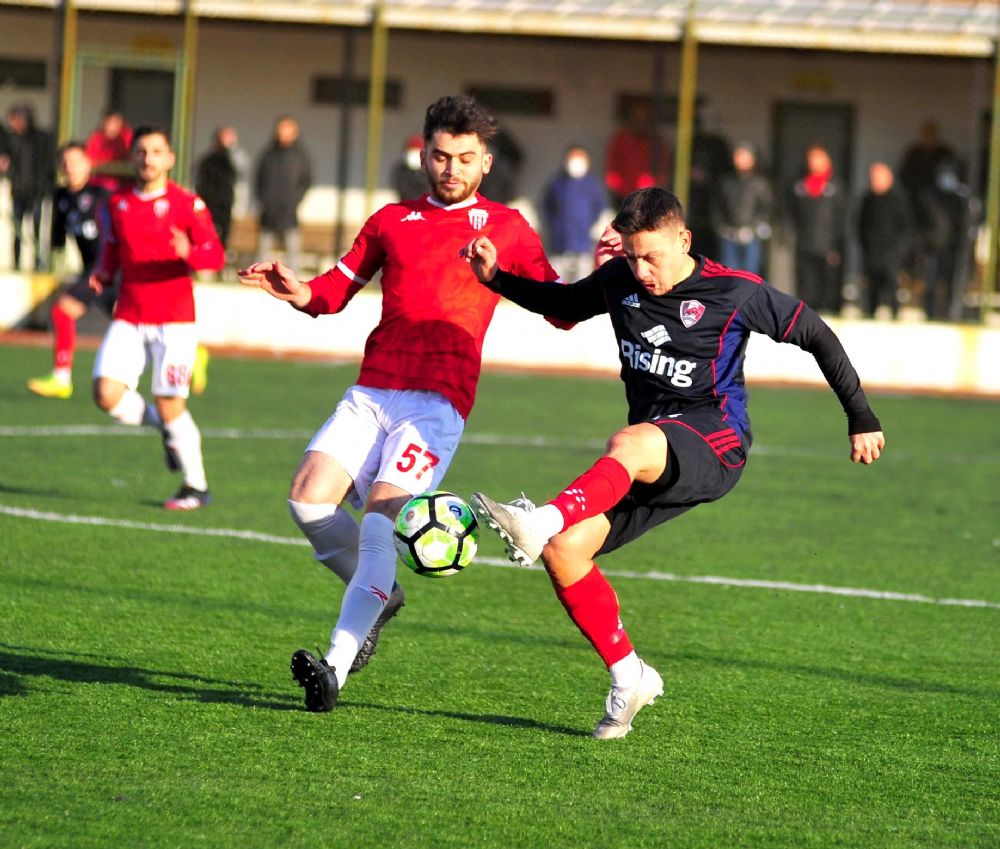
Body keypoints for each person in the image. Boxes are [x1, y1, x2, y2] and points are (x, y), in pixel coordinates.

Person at [463, 187, 885, 739]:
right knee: (567, 552)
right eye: (632, 255)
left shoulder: (733, 292)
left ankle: (538, 519)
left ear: (684, 240)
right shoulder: (619, 279)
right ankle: (629, 675)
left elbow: (816, 334)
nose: (640, 270)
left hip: (716, 441)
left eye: (652, 257)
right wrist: (496, 279)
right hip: (652, 456)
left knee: (629, 442)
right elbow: (564, 306)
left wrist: (861, 416)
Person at [237, 95, 569, 713]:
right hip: (372, 388)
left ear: (486, 162)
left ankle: (333, 665)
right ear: (424, 153)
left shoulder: (509, 229)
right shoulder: (391, 219)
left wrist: (588, 275)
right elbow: (335, 289)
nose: (451, 169)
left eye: (465, 158)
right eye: (441, 156)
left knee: (377, 526)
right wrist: (297, 290)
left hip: (437, 401)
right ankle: (380, 596)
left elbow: (559, 306)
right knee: (306, 497)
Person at [89, 125, 224, 510]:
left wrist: (189, 253)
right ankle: (166, 429)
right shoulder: (118, 203)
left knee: (170, 403)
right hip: (130, 313)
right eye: (141, 152)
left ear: (170, 159)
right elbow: (113, 246)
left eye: (156, 152)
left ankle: (195, 486)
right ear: (132, 158)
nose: (148, 159)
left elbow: (214, 256)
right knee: (106, 394)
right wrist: (103, 271)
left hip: (175, 320)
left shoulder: (187, 204)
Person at [26, 143, 111, 399]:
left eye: (76, 161)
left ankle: (62, 378)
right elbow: (58, 235)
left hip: (111, 270)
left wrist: (106, 269)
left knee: (62, 310)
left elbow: (114, 234)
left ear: (88, 164)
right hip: (93, 271)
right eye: (65, 162)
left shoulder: (100, 196)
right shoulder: (62, 196)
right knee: (136, 323)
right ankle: (61, 378)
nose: (70, 167)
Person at [915, 159, 980, 321]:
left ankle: (952, 315)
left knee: (954, 284)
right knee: (931, 283)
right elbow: (922, 222)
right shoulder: (929, 196)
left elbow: (968, 223)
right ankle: (929, 315)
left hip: (954, 249)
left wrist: (964, 245)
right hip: (934, 247)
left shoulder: (963, 198)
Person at [788, 144, 846, 314]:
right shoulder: (800, 186)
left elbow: (841, 216)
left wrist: (836, 244)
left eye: (819, 159)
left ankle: (828, 309)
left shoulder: (835, 187)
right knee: (806, 279)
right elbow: (791, 211)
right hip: (805, 240)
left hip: (828, 243)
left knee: (827, 281)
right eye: (811, 159)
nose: (814, 163)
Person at [541, 145, 608, 282]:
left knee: (582, 288)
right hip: (559, 245)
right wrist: (554, 227)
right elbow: (547, 207)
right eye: (573, 158)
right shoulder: (557, 183)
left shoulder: (593, 185)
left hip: (584, 245)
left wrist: (589, 224)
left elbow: (599, 208)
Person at [856, 162, 913, 319]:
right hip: (872, 252)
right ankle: (869, 315)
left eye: (879, 177)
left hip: (892, 253)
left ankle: (895, 316)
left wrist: (900, 251)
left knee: (892, 286)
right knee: (871, 288)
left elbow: (906, 228)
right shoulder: (867, 199)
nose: (875, 181)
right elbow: (860, 225)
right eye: (873, 177)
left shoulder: (898, 199)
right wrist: (865, 246)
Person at [0, 104, 53, 271]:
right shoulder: (10, 139)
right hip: (18, 190)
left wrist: (45, 187)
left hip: (37, 191)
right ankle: (16, 264)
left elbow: (47, 165)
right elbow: (6, 162)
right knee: (17, 230)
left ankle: (39, 264)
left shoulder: (41, 139)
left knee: (37, 231)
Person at [254, 116, 312, 270]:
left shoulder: (300, 156)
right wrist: (265, 200)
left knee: (292, 249)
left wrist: (295, 200)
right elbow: (259, 179)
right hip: (269, 211)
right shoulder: (268, 154)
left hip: (289, 211)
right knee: (263, 249)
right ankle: (258, 276)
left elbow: (306, 182)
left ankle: (294, 281)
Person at [712, 142, 773, 276]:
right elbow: (717, 208)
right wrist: (721, 228)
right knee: (729, 274)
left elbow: (767, 209)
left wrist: (753, 229)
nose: (740, 160)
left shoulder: (760, 183)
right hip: (729, 236)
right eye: (738, 156)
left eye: (745, 156)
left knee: (749, 276)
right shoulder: (726, 182)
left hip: (751, 237)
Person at [604, 100, 670, 210]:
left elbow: (663, 166)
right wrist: (617, 185)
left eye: (645, 118)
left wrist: (656, 185)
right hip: (623, 194)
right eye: (637, 117)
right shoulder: (621, 138)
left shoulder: (657, 141)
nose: (641, 121)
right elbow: (612, 164)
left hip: (649, 195)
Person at [195, 126, 240, 249]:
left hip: (225, 207)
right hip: (210, 206)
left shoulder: (231, 160)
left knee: (223, 239)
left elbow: (237, 177)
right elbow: (202, 184)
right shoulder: (208, 162)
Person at [85, 110, 134, 193]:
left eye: (116, 122)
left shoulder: (126, 136)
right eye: (109, 122)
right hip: (100, 184)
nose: (112, 126)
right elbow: (90, 160)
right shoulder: (96, 138)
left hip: (124, 183)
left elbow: (132, 158)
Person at [391, 134, 429, 201]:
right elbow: (402, 189)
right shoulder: (401, 170)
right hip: (406, 206)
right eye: (412, 151)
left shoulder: (429, 171)